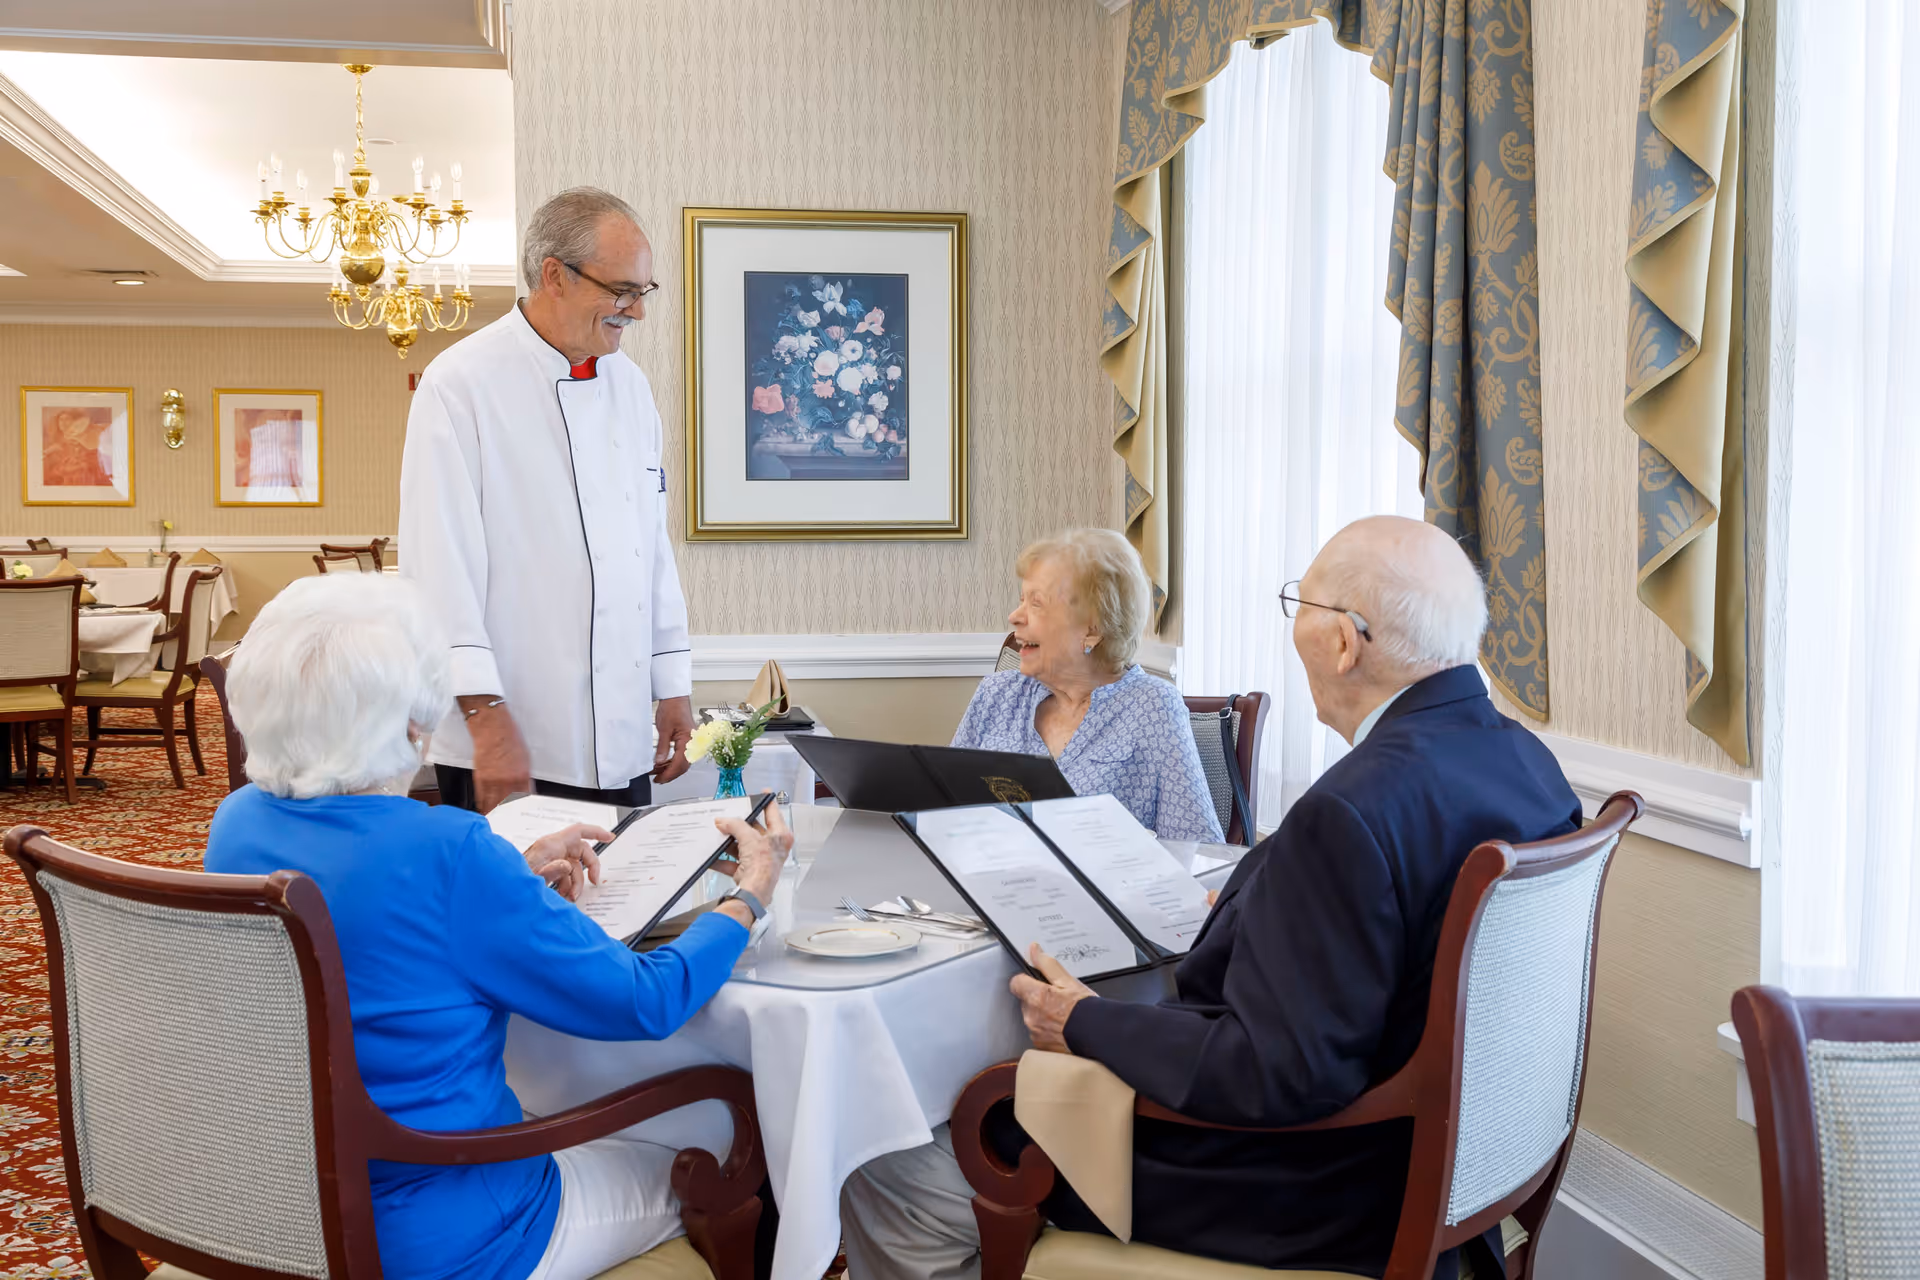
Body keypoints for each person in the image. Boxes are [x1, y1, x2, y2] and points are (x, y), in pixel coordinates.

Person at [841, 515, 1583, 1280]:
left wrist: (1087, 1021)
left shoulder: (1351, 810)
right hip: (1448, 1168)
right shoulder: (1527, 765)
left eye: (1302, 605)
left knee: (888, 1170)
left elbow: (1275, 1073)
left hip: (1303, 1188)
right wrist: (1256, 898)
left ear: (1343, 642)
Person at [206, 574, 790, 1280]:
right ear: (417, 726)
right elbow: (649, 1000)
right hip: (454, 1234)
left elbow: (370, 905)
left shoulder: (237, 822)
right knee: (727, 1153)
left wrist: (509, 870)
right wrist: (749, 895)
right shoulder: (449, 853)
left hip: (281, 1203)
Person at [400, 186, 692, 815]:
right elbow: (436, 570)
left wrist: (672, 685)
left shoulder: (631, 387)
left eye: (642, 292)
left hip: (620, 737)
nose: (635, 312)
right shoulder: (460, 384)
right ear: (555, 275)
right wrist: (486, 721)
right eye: (621, 291)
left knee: (621, 906)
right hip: (510, 742)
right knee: (508, 912)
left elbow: (651, 548)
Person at [951, 528, 1222, 842]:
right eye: (1021, 600)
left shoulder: (1152, 706)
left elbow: (1200, 848)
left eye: (1036, 604)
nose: (1015, 616)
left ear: (1092, 630)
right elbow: (940, 814)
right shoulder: (996, 695)